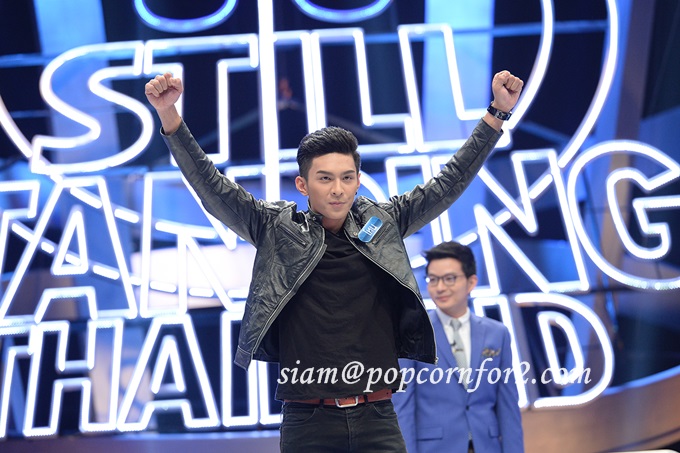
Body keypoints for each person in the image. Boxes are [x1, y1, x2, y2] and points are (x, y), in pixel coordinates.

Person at [144, 70, 523, 452]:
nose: (338, 190)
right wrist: (169, 115)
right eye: (325, 179)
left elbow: (450, 181)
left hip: (378, 416)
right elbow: (211, 186)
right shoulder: (276, 228)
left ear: (358, 180)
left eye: (346, 178)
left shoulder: (384, 223)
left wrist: (497, 114)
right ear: (303, 185)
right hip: (308, 422)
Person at [393, 241, 524, 453]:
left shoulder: (497, 334)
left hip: (487, 446)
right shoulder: (412, 333)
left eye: (449, 279)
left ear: (471, 282)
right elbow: (403, 407)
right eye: (433, 279)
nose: (440, 288)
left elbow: (508, 407)